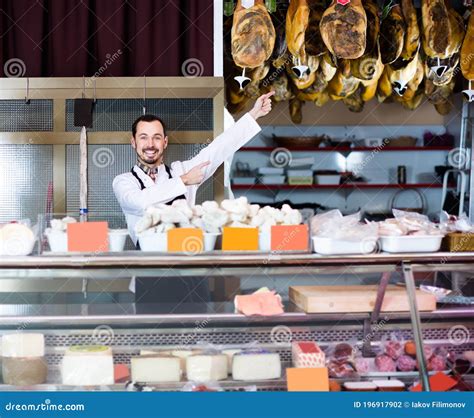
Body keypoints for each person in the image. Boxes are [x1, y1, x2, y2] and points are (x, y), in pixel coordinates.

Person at [113, 92, 274, 305]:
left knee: (197, 331)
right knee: (155, 333)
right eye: (143, 137)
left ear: (165, 142)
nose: (150, 144)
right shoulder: (124, 181)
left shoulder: (181, 170)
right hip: (149, 274)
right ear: (134, 142)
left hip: (191, 271)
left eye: (156, 137)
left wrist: (254, 114)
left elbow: (218, 149)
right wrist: (184, 181)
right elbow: (141, 202)